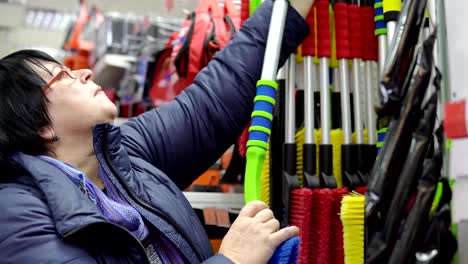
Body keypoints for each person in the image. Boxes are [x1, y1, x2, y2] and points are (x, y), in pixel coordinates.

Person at [0, 0, 312, 263]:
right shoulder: (17, 217)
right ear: (40, 125)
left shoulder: (121, 155)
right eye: (63, 76)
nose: (84, 72)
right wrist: (232, 258)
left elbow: (217, 97)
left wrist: (289, 7)